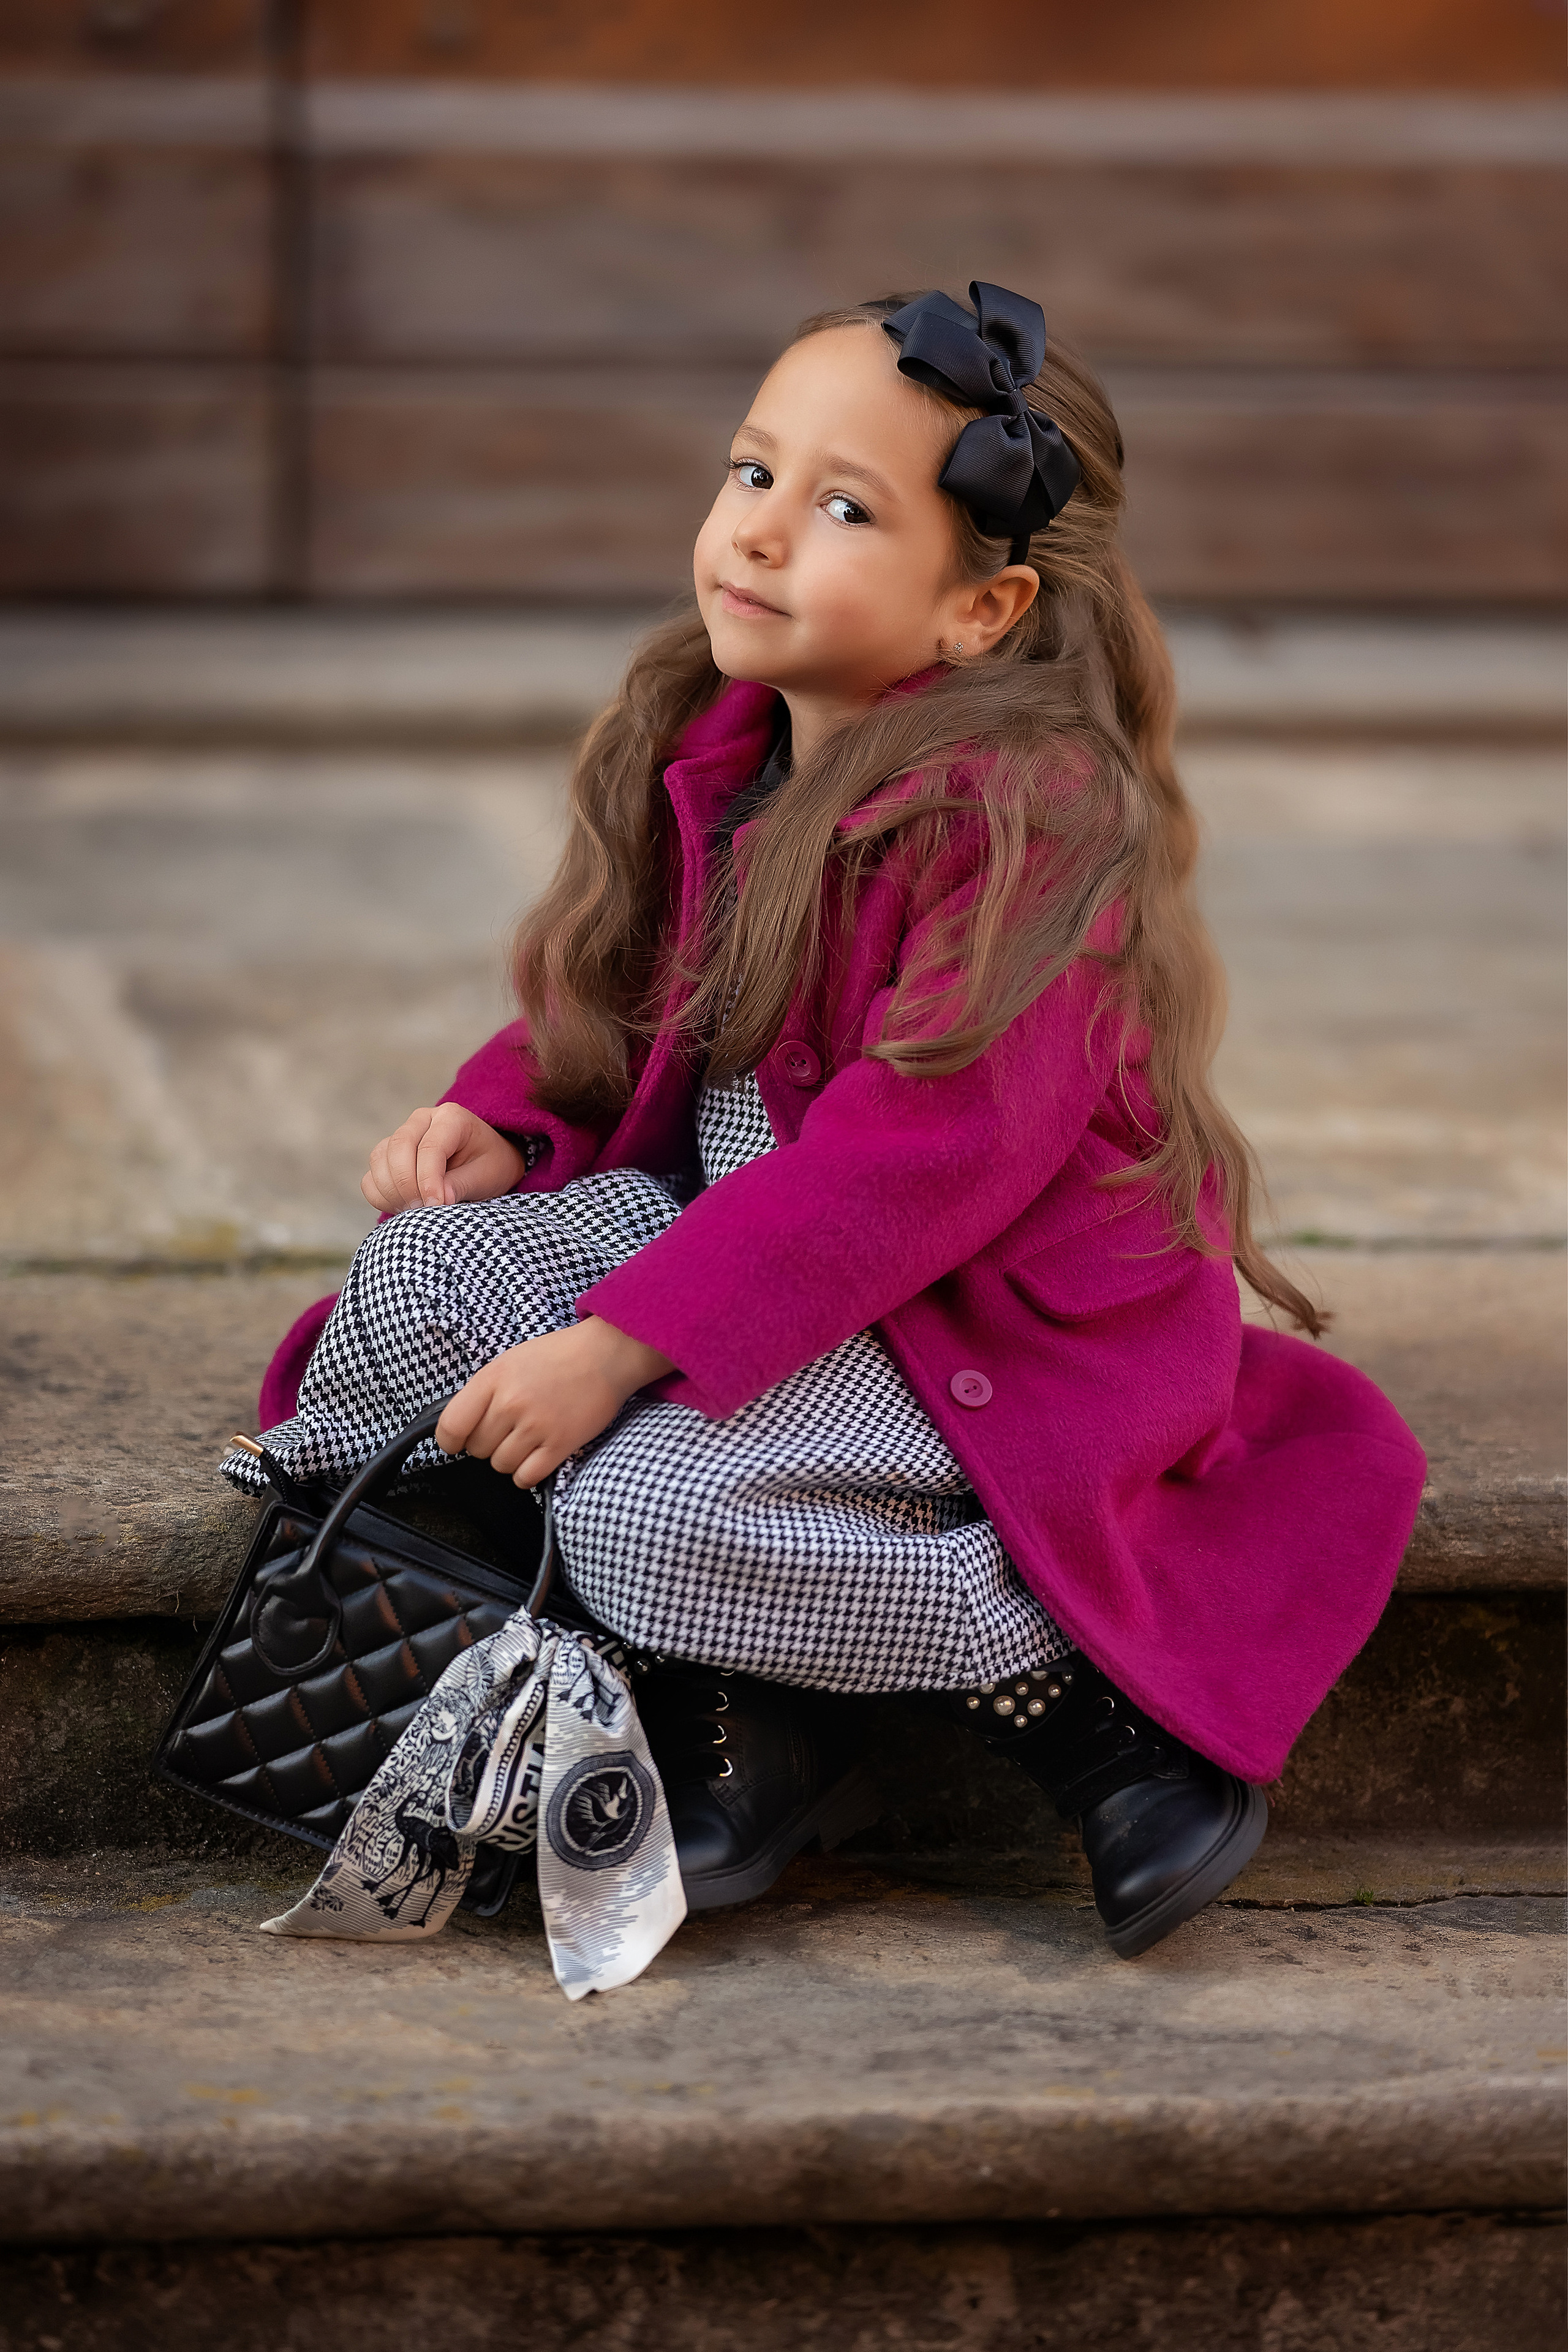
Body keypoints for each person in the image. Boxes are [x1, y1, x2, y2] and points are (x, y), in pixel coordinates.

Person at [225, 284, 1425, 1959]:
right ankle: (550, 1628)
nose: (763, 531)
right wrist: (505, 1124)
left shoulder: (1030, 824)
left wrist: (618, 1348)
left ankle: (1045, 1670)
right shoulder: (721, 739)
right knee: (424, 1275)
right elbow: (608, 996)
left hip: (960, 1316)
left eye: (847, 509)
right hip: (741, 1256)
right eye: (753, 471)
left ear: (981, 606)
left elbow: (912, 1162)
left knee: (643, 1507)